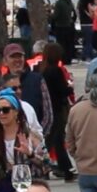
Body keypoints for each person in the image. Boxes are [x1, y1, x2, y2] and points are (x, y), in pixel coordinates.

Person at [41, 43, 74, 181]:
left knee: (53, 139)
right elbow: (62, 90)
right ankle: (64, 168)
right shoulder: (56, 71)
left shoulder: (44, 70)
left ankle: (62, 167)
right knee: (57, 138)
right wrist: (70, 87)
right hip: (58, 108)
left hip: (49, 107)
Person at [50, 0, 77, 64]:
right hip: (69, 25)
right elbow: (73, 13)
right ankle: (69, 59)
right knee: (69, 44)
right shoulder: (69, 1)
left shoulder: (59, 3)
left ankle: (63, 59)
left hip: (60, 26)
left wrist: (50, 15)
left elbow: (56, 16)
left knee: (61, 44)